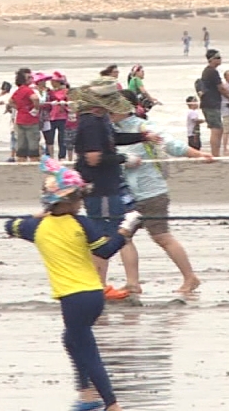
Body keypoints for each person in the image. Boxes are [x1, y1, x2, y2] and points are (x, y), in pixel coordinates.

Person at [5, 160, 143, 411]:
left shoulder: (35, 228)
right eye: (78, 197)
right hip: (92, 294)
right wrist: (126, 230)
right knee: (71, 339)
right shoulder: (82, 223)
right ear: (66, 201)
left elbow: (9, 226)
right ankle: (86, 393)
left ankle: (113, 408)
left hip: (73, 298)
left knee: (87, 351)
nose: (81, 202)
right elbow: (105, 249)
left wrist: (38, 216)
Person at [114, 91, 212, 294]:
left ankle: (190, 278)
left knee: (161, 236)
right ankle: (133, 283)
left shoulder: (144, 127)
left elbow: (171, 145)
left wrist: (198, 154)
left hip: (152, 191)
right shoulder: (110, 130)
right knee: (123, 238)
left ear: (126, 108)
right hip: (127, 194)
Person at [71, 79, 158, 300]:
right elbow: (93, 158)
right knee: (104, 236)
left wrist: (141, 136)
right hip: (99, 188)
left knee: (108, 233)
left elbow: (112, 139)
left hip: (108, 185)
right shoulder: (90, 123)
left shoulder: (101, 120)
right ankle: (97, 286)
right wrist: (123, 159)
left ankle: (101, 284)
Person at [11, 69, 42, 163]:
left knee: (21, 144)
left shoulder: (18, 91)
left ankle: (21, 161)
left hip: (20, 119)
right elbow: (35, 98)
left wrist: (19, 108)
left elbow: (10, 101)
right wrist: (36, 109)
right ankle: (33, 161)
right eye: (29, 77)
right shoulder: (28, 90)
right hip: (30, 120)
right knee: (33, 144)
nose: (31, 79)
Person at [197, 50, 224, 157]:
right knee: (216, 128)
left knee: (218, 128)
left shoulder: (209, 71)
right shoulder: (212, 71)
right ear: (211, 59)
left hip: (211, 104)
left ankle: (216, 153)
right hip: (211, 104)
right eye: (217, 57)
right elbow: (221, 88)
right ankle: (215, 154)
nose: (220, 59)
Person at [45, 74, 72, 159]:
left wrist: (64, 106)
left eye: (53, 81)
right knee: (49, 138)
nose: (51, 83)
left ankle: (62, 156)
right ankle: (49, 156)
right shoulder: (50, 92)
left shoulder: (66, 91)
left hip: (62, 117)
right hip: (51, 117)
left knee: (62, 138)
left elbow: (70, 104)